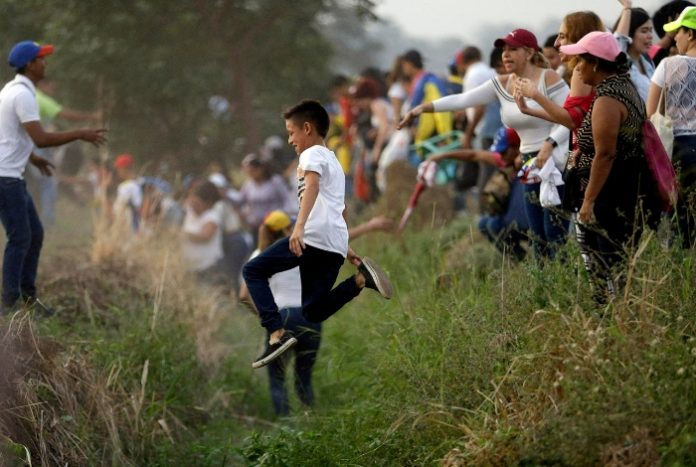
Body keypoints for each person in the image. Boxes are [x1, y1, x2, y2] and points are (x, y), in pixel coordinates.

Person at [242, 100, 393, 369]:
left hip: (312, 238)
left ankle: (277, 334)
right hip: (331, 245)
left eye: (291, 132)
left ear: (308, 129)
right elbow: (340, 207)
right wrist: (344, 246)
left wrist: (299, 227)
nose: (290, 140)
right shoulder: (333, 160)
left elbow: (311, 186)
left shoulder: (310, 155)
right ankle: (359, 280)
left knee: (253, 271)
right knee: (312, 311)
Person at [399, 29, 570, 260]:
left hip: (554, 161)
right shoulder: (501, 83)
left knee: (554, 233)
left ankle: (566, 283)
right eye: (503, 50)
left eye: (513, 49)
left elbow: (569, 119)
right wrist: (422, 108)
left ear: (529, 52)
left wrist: (549, 144)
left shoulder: (548, 78)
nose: (505, 55)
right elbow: (462, 99)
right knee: (537, 234)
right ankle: (546, 290)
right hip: (529, 162)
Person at [239, 211, 393, 416]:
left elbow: (243, 295)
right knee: (304, 377)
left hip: (281, 318)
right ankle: (309, 418)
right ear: (286, 229)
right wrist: (369, 226)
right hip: (308, 318)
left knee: (277, 378)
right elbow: (332, 241)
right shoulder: (300, 245)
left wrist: (266, 318)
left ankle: (287, 428)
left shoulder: (259, 256)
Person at [0, 40, 106, 314]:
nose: (45, 63)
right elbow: (42, 138)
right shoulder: (23, 95)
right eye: (41, 59)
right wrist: (81, 133)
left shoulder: (14, 90)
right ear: (29, 65)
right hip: (6, 178)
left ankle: (27, 297)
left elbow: (11, 138)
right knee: (20, 237)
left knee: (34, 234)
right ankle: (11, 302)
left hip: (12, 175)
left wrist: (33, 159)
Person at [560, 31, 660, 303]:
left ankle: (613, 324)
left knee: (607, 266)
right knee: (616, 266)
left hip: (611, 194)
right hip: (625, 189)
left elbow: (605, 155)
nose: (576, 67)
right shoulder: (621, 87)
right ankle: (615, 321)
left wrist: (588, 202)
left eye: (580, 60)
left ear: (594, 63)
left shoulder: (607, 100)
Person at [429, 127, 529, 260]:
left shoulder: (529, 157)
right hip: (513, 220)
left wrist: (524, 161)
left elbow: (567, 154)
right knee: (484, 224)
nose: (501, 155)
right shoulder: (505, 160)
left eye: (504, 151)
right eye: (500, 152)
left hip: (529, 219)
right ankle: (520, 260)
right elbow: (473, 155)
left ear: (516, 147)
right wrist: (442, 155)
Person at [514, 12, 605, 142]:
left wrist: (535, 95)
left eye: (562, 37)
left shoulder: (581, 72)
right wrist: (527, 110)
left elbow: (572, 121)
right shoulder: (591, 67)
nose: (556, 43)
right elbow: (569, 116)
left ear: (577, 38)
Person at [647, 6, 696, 247]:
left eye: (679, 31)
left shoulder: (668, 65)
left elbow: (650, 112)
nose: (675, 37)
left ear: (691, 34)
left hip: (680, 146)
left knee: (682, 213)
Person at [400, 49, 453, 145]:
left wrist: (445, 135)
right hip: (427, 129)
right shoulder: (422, 79)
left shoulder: (426, 81)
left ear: (409, 64)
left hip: (430, 132)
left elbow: (440, 107)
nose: (403, 69)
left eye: (404, 65)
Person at [614, 0, 656, 102]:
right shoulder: (621, 62)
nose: (650, 36)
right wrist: (627, 7)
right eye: (644, 31)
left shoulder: (648, 62)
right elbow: (619, 40)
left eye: (651, 30)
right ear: (630, 33)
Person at [112, 153, 143, 233]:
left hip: (131, 226)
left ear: (124, 169)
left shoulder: (125, 187)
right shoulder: (141, 182)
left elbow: (120, 209)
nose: (118, 172)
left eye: (118, 169)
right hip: (142, 224)